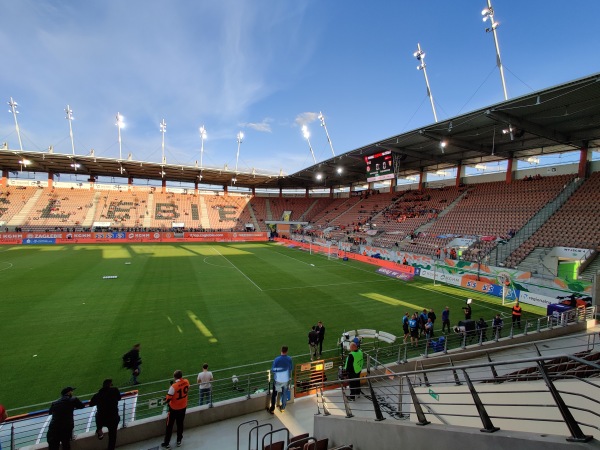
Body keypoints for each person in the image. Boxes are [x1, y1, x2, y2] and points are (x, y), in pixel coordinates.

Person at [89, 379, 121, 450]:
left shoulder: (98, 395)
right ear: (110, 385)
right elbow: (119, 398)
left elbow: (91, 404)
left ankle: (99, 429)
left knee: (97, 415)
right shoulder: (114, 390)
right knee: (112, 436)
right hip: (113, 418)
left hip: (101, 418)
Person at [161, 370, 190, 449]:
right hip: (183, 407)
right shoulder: (187, 381)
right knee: (180, 424)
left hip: (174, 409)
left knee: (169, 426)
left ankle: (167, 443)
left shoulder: (173, 387)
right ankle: (179, 441)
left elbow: (168, 399)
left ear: (174, 377)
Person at [269, 346, 293, 413]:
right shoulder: (289, 359)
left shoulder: (277, 359)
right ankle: (282, 408)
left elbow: (273, 370)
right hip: (285, 380)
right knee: (284, 394)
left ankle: (272, 409)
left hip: (278, 380)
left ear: (281, 350)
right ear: (287, 351)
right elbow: (291, 368)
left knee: (274, 394)